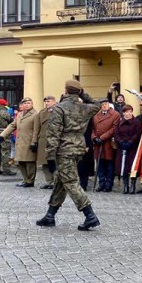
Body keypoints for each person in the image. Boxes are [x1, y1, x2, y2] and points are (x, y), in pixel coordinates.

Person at [36, 80, 101, 230]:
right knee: (61, 180)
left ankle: (90, 215)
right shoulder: (85, 107)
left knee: (70, 182)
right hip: (78, 147)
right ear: (78, 92)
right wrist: (83, 94)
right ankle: (50, 215)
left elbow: (53, 133)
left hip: (63, 150)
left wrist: (50, 155)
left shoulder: (59, 108)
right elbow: (97, 104)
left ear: (65, 91)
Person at [0, 97, 38, 187]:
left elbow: (36, 130)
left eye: (29, 103)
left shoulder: (35, 114)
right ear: (22, 105)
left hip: (29, 142)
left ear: (32, 104)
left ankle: (30, 181)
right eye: (25, 103)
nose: (27, 104)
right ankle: (25, 180)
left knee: (30, 162)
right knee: (20, 162)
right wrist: (2, 135)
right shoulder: (20, 114)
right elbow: (12, 125)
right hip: (20, 142)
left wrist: (34, 142)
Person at [92, 98, 121, 192]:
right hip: (98, 144)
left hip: (108, 143)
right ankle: (101, 183)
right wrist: (94, 138)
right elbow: (92, 128)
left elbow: (114, 129)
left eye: (106, 104)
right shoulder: (96, 115)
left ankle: (109, 184)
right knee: (100, 165)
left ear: (109, 105)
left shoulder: (115, 114)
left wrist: (102, 137)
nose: (104, 106)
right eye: (102, 104)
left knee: (109, 166)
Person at [114, 105, 142, 194]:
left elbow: (137, 133)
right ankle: (125, 186)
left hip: (132, 147)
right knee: (124, 167)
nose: (129, 113)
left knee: (132, 167)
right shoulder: (119, 122)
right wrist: (121, 142)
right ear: (123, 113)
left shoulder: (136, 122)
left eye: (130, 111)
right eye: (126, 112)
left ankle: (133, 185)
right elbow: (116, 133)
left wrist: (131, 142)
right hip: (122, 147)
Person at [33, 96, 57, 189]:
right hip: (43, 140)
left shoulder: (58, 111)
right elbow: (37, 128)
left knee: (54, 162)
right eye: (46, 101)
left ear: (54, 102)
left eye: (49, 101)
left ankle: (56, 181)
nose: (47, 103)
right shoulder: (42, 112)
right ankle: (49, 181)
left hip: (54, 140)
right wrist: (34, 141)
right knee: (44, 162)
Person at [0, 98, 15, 175]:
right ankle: (6, 170)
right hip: (4, 133)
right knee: (5, 151)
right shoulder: (4, 112)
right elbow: (12, 122)